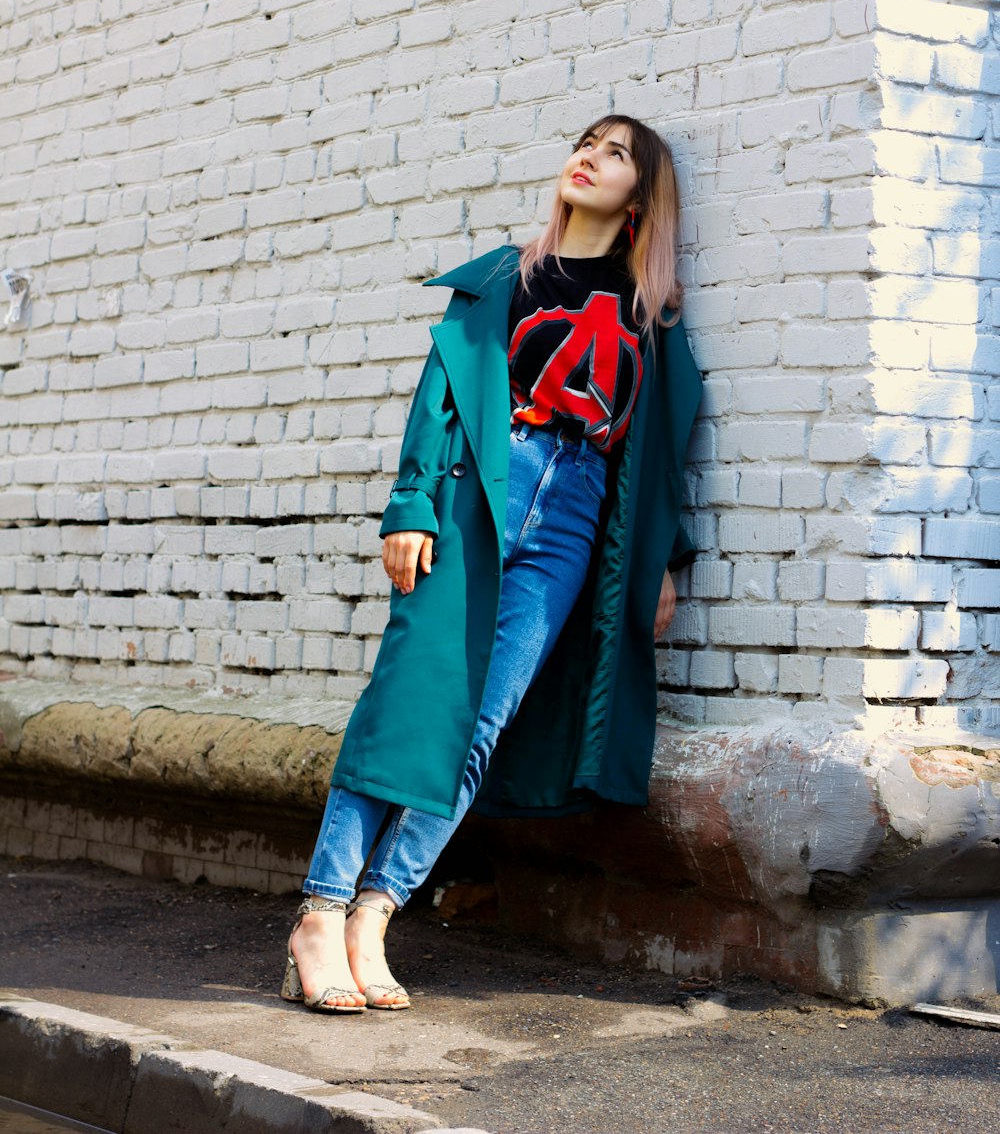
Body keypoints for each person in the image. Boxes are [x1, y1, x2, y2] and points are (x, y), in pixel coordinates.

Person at [280, 114, 703, 1014]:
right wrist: (412, 505)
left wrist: (662, 561)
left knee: (483, 723)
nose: (590, 156)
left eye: (617, 153)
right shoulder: (508, 278)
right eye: (586, 142)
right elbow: (439, 397)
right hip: (485, 490)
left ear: (642, 195)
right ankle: (319, 913)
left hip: (571, 522)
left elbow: (656, 458)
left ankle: (375, 916)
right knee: (409, 701)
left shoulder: (647, 311)